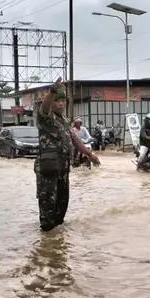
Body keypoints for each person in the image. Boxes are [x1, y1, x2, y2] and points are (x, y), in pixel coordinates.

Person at [35, 78, 100, 231]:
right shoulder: (46, 117)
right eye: (57, 101)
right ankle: (46, 242)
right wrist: (51, 92)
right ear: (52, 102)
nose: (61, 104)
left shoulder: (64, 120)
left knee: (62, 203)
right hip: (49, 167)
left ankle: (57, 243)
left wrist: (89, 154)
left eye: (63, 100)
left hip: (63, 167)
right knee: (48, 203)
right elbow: (44, 108)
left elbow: (74, 139)